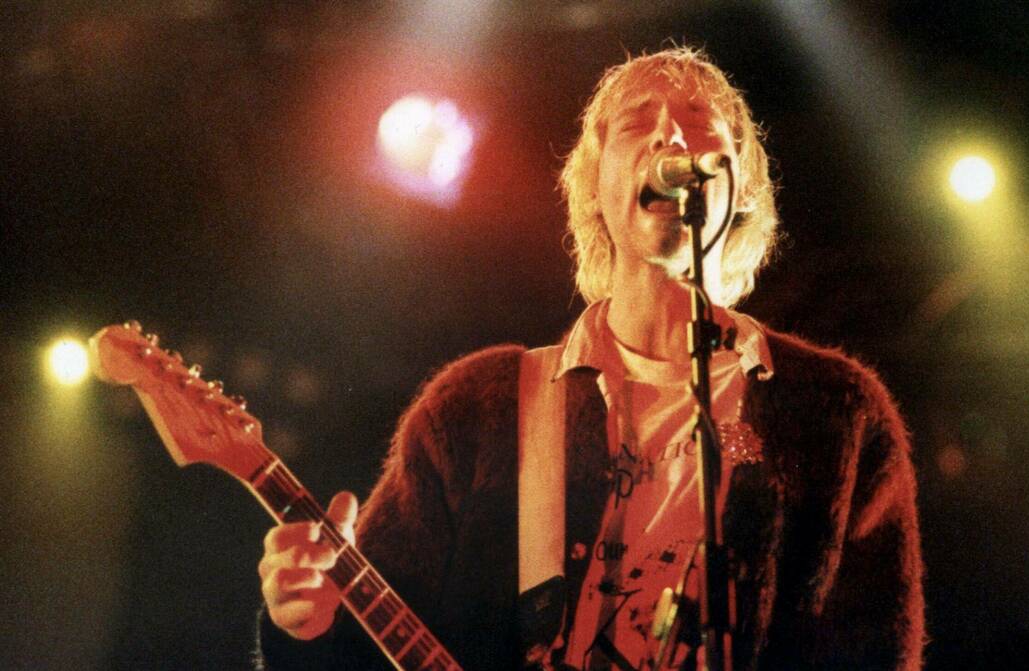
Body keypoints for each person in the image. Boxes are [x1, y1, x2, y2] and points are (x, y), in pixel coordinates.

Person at [255, 46, 925, 670]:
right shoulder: (479, 408)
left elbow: (877, 652)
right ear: (595, 187)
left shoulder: (836, 414)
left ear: (743, 183)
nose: (671, 138)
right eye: (636, 124)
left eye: (700, 123)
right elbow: (356, 647)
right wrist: (304, 622)